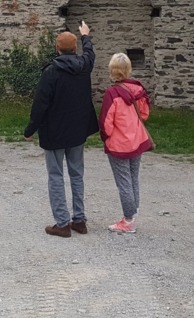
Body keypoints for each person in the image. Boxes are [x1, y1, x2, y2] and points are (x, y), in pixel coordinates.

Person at [24, 21, 100, 237]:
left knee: (56, 175)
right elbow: (90, 53)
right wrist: (85, 35)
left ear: (57, 48)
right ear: (75, 48)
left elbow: (40, 104)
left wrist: (30, 129)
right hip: (77, 130)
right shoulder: (84, 66)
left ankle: (62, 223)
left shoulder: (51, 72)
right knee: (77, 174)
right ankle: (80, 220)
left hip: (54, 131)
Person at [99, 52, 153, 234]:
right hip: (137, 139)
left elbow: (106, 123)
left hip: (119, 143)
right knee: (133, 177)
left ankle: (128, 220)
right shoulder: (138, 89)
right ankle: (133, 212)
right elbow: (144, 114)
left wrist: (106, 137)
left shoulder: (112, 93)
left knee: (123, 181)